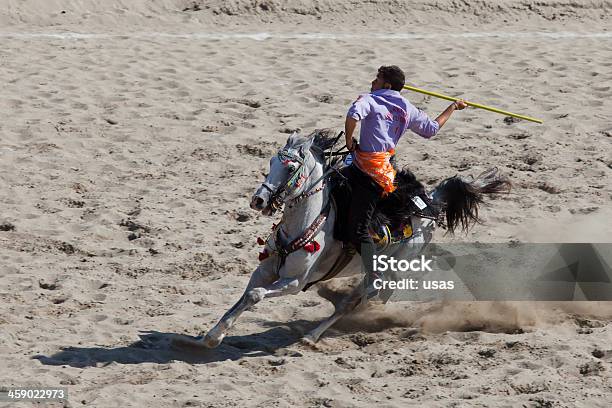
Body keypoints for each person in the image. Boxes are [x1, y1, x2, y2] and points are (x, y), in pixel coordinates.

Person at [341, 65, 467, 296]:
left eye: (377, 79)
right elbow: (431, 130)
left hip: (368, 172)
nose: (373, 82)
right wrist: (453, 107)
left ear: (386, 85)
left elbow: (352, 116)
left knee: (358, 230)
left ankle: (373, 276)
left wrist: (349, 141)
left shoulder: (369, 99)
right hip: (386, 169)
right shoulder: (407, 107)